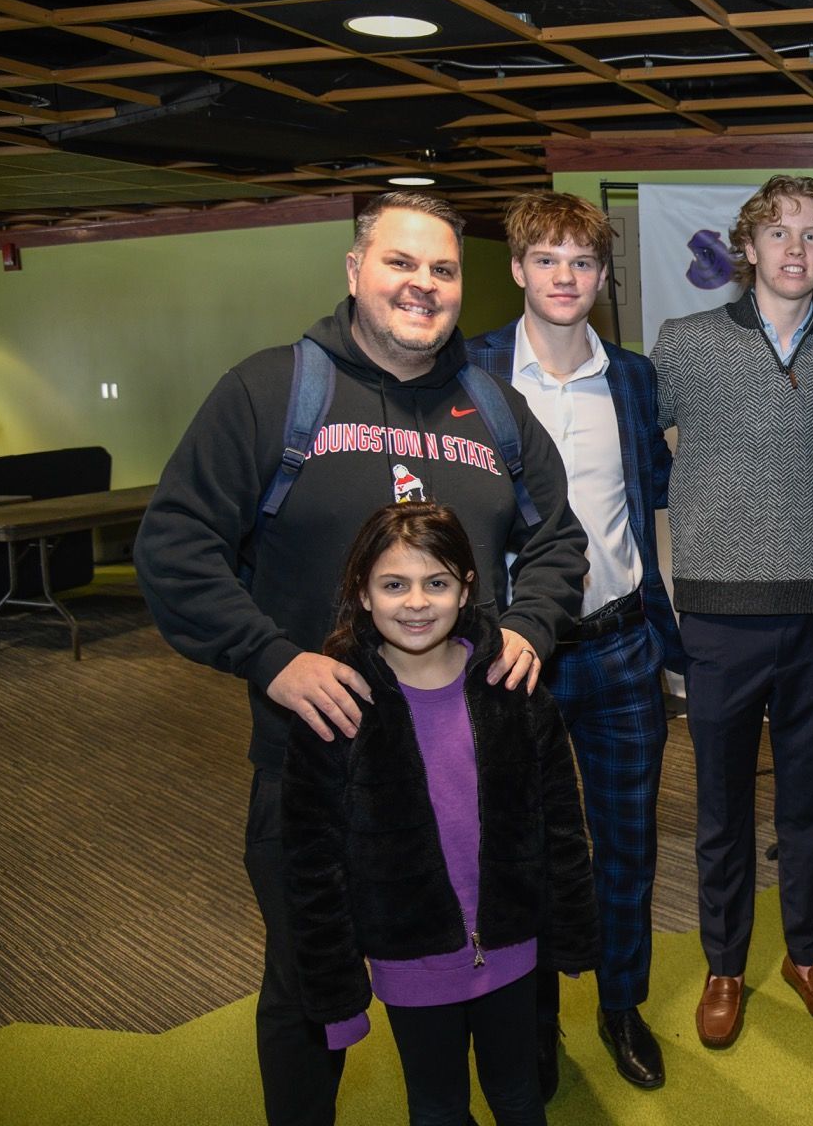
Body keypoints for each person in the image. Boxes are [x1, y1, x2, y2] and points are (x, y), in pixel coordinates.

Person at [135, 192, 587, 1126]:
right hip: (324, 769)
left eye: (444, 269)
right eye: (401, 264)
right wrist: (272, 658)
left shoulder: (494, 409)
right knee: (312, 984)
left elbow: (559, 541)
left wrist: (533, 627)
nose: (423, 285)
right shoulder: (273, 393)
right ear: (354, 272)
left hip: (477, 767)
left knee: (504, 954)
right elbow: (174, 547)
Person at [283, 502, 597, 1126]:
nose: (417, 602)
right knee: (437, 1106)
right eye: (393, 584)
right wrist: (338, 998)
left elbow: (561, 823)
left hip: (512, 948)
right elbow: (312, 867)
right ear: (363, 595)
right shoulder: (338, 708)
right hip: (410, 961)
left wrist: (570, 933)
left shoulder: (514, 687)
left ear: (466, 589)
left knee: (518, 1095)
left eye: (437, 583)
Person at [651, 174, 813, 1047]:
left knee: (808, 806)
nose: (795, 248)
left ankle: (807, 954)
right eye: (778, 233)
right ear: (747, 248)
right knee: (720, 807)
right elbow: (640, 447)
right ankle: (725, 963)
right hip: (717, 613)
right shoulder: (684, 345)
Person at [466, 192, 682, 1092]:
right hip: (514, 659)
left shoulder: (631, 378)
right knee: (523, 847)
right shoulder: (468, 374)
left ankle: (621, 1005)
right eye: (547, 259)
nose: (565, 278)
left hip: (622, 645)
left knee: (628, 844)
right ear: (517, 268)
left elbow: (656, 493)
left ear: (601, 279)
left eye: (582, 263)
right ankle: (538, 1019)